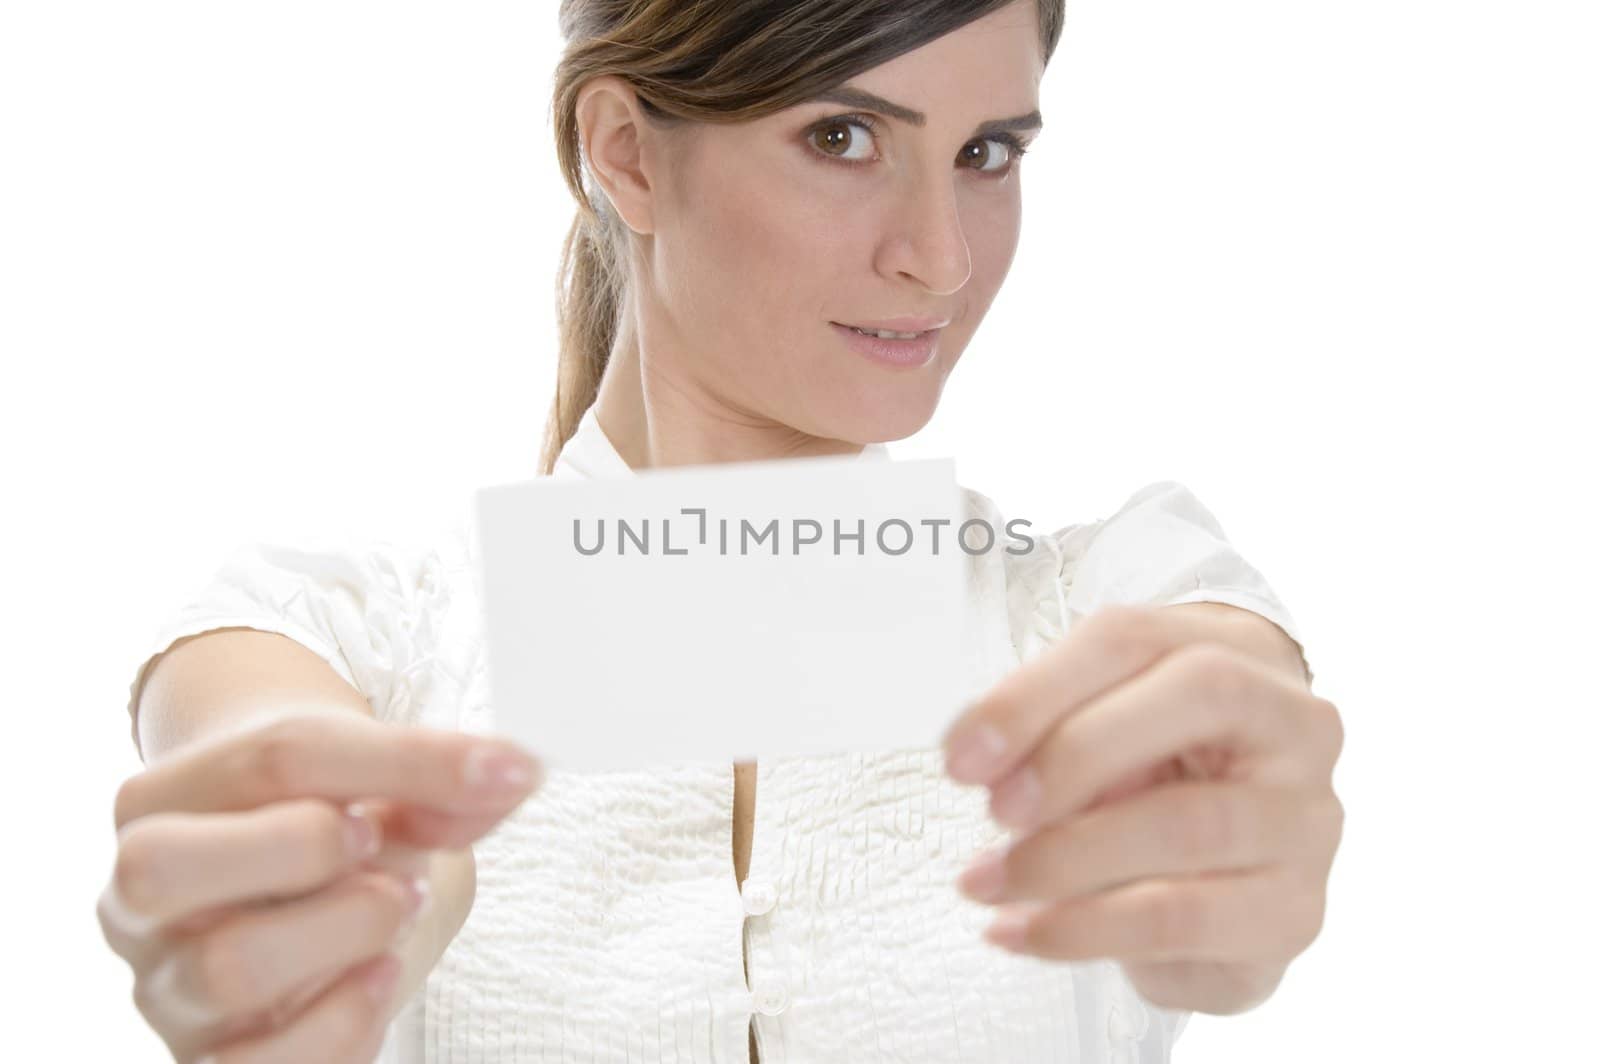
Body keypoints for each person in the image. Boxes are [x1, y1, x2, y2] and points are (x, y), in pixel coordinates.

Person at [100, 1, 1344, 1061]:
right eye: (843, 136)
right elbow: (258, 734)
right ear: (628, 153)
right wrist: (332, 881)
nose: (942, 257)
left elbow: (1223, 687)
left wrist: (1238, 849)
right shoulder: (351, 634)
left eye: (988, 152)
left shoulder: (1103, 602)